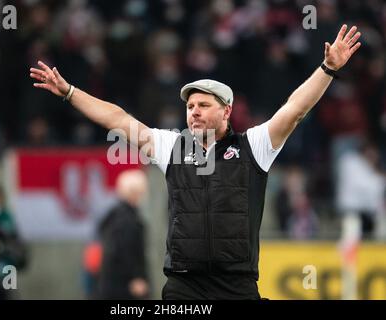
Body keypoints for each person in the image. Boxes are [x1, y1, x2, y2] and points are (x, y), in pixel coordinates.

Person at [29, 25, 362, 299]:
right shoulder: (172, 145)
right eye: (190, 106)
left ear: (227, 111)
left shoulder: (253, 146)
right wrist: (71, 92)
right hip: (183, 287)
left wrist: (328, 69)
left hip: (238, 287)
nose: (194, 111)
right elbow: (118, 119)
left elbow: (294, 111)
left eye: (204, 105)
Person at [97, 169, 150, 300]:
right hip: (125, 286)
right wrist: (136, 277)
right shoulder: (128, 220)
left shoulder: (114, 215)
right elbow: (126, 251)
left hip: (112, 283)